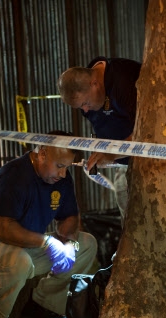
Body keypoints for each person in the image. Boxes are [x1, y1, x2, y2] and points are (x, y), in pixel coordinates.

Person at [0, 131, 99, 318]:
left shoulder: (60, 179)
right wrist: (46, 242)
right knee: (19, 261)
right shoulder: (13, 176)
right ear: (42, 153)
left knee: (86, 244)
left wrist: (67, 242)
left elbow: (69, 216)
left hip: (27, 247)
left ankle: (43, 307)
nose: (63, 174)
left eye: (66, 168)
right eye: (60, 166)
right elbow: (0, 228)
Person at [57, 56, 141, 222]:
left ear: (94, 83)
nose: (86, 110)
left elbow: (148, 130)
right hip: (124, 164)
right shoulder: (87, 94)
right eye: (81, 107)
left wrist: (112, 154)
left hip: (152, 159)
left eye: (86, 103)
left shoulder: (124, 80)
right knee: (128, 216)